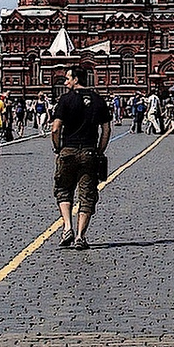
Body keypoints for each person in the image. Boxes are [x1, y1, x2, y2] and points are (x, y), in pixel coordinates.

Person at [51, 66, 112, 249]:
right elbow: (107, 130)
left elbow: (55, 128)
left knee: (63, 189)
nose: (65, 82)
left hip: (68, 150)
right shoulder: (98, 100)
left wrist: (58, 147)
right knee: (87, 195)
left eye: (68, 78)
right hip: (89, 151)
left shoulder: (65, 100)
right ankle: (80, 236)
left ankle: (67, 227)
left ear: (76, 79)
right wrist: (100, 150)